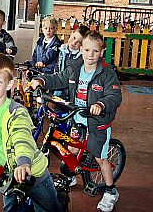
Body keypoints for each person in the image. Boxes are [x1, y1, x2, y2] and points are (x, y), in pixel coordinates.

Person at [30, 31, 122, 212]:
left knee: (100, 158)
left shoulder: (107, 74)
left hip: (97, 124)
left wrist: (101, 104)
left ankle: (111, 190)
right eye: (87, 50)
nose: (90, 55)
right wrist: (41, 80)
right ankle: (72, 173)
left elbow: (114, 95)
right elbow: (58, 78)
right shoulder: (74, 68)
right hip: (77, 119)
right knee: (71, 148)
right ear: (81, 49)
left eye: (95, 51)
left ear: (102, 52)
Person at [0, 53, 62, 212]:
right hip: (6, 177)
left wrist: (23, 162)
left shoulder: (16, 112)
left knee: (49, 208)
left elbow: (22, 138)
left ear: (9, 84)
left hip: (32, 172)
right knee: (11, 208)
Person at [54, 25, 90, 100]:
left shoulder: (81, 57)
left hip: (72, 88)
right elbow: (58, 65)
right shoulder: (62, 50)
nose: (74, 43)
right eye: (74, 38)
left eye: (79, 42)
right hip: (58, 85)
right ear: (72, 33)